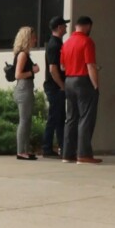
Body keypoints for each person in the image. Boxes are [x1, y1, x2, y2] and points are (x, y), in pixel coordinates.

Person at [61, 16, 101, 164]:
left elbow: (62, 67)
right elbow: (90, 65)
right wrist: (96, 85)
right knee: (86, 117)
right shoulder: (87, 41)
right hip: (83, 80)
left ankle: (67, 154)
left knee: (71, 118)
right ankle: (83, 154)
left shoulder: (66, 43)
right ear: (88, 26)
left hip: (69, 80)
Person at [42, 16, 69, 158]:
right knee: (54, 117)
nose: (66, 28)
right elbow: (53, 69)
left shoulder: (56, 43)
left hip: (56, 87)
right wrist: (62, 85)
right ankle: (47, 147)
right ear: (59, 28)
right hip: (55, 87)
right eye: (64, 25)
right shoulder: (54, 45)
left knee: (59, 117)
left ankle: (62, 146)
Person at [12, 26, 40, 160]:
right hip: (24, 88)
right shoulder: (23, 54)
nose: (35, 40)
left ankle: (24, 149)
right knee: (24, 120)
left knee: (27, 120)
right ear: (27, 38)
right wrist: (32, 71)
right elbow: (18, 74)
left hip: (25, 88)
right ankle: (21, 151)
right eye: (33, 37)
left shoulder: (24, 54)